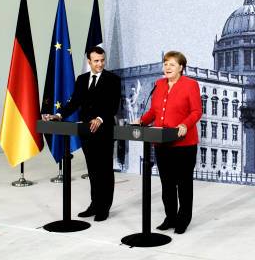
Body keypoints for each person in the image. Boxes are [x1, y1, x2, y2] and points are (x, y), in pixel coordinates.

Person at [44, 46, 121, 222]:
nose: (100, 64)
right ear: (89, 61)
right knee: (93, 169)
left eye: (102, 60)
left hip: (104, 130)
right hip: (86, 131)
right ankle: (94, 204)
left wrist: (100, 118)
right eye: (96, 61)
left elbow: (113, 105)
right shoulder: (82, 79)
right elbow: (74, 102)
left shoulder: (113, 79)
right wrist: (59, 115)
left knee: (104, 170)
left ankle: (104, 207)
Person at [137, 51, 202, 234]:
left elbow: (196, 111)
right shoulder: (159, 84)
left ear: (181, 67)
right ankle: (170, 217)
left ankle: (183, 220)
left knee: (183, 183)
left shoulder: (190, 85)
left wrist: (184, 124)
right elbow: (154, 112)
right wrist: (141, 121)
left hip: (184, 144)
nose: (167, 67)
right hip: (161, 143)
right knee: (167, 183)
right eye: (165, 64)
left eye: (172, 64)